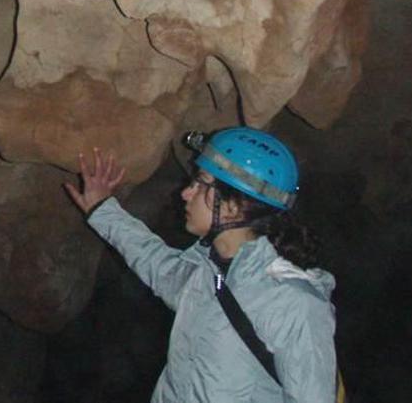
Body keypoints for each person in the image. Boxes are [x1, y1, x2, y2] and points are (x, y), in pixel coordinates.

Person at [64, 127, 337, 403]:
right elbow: (154, 262)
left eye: (200, 183)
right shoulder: (206, 275)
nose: (186, 193)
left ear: (234, 206)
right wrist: (102, 210)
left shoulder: (293, 303)